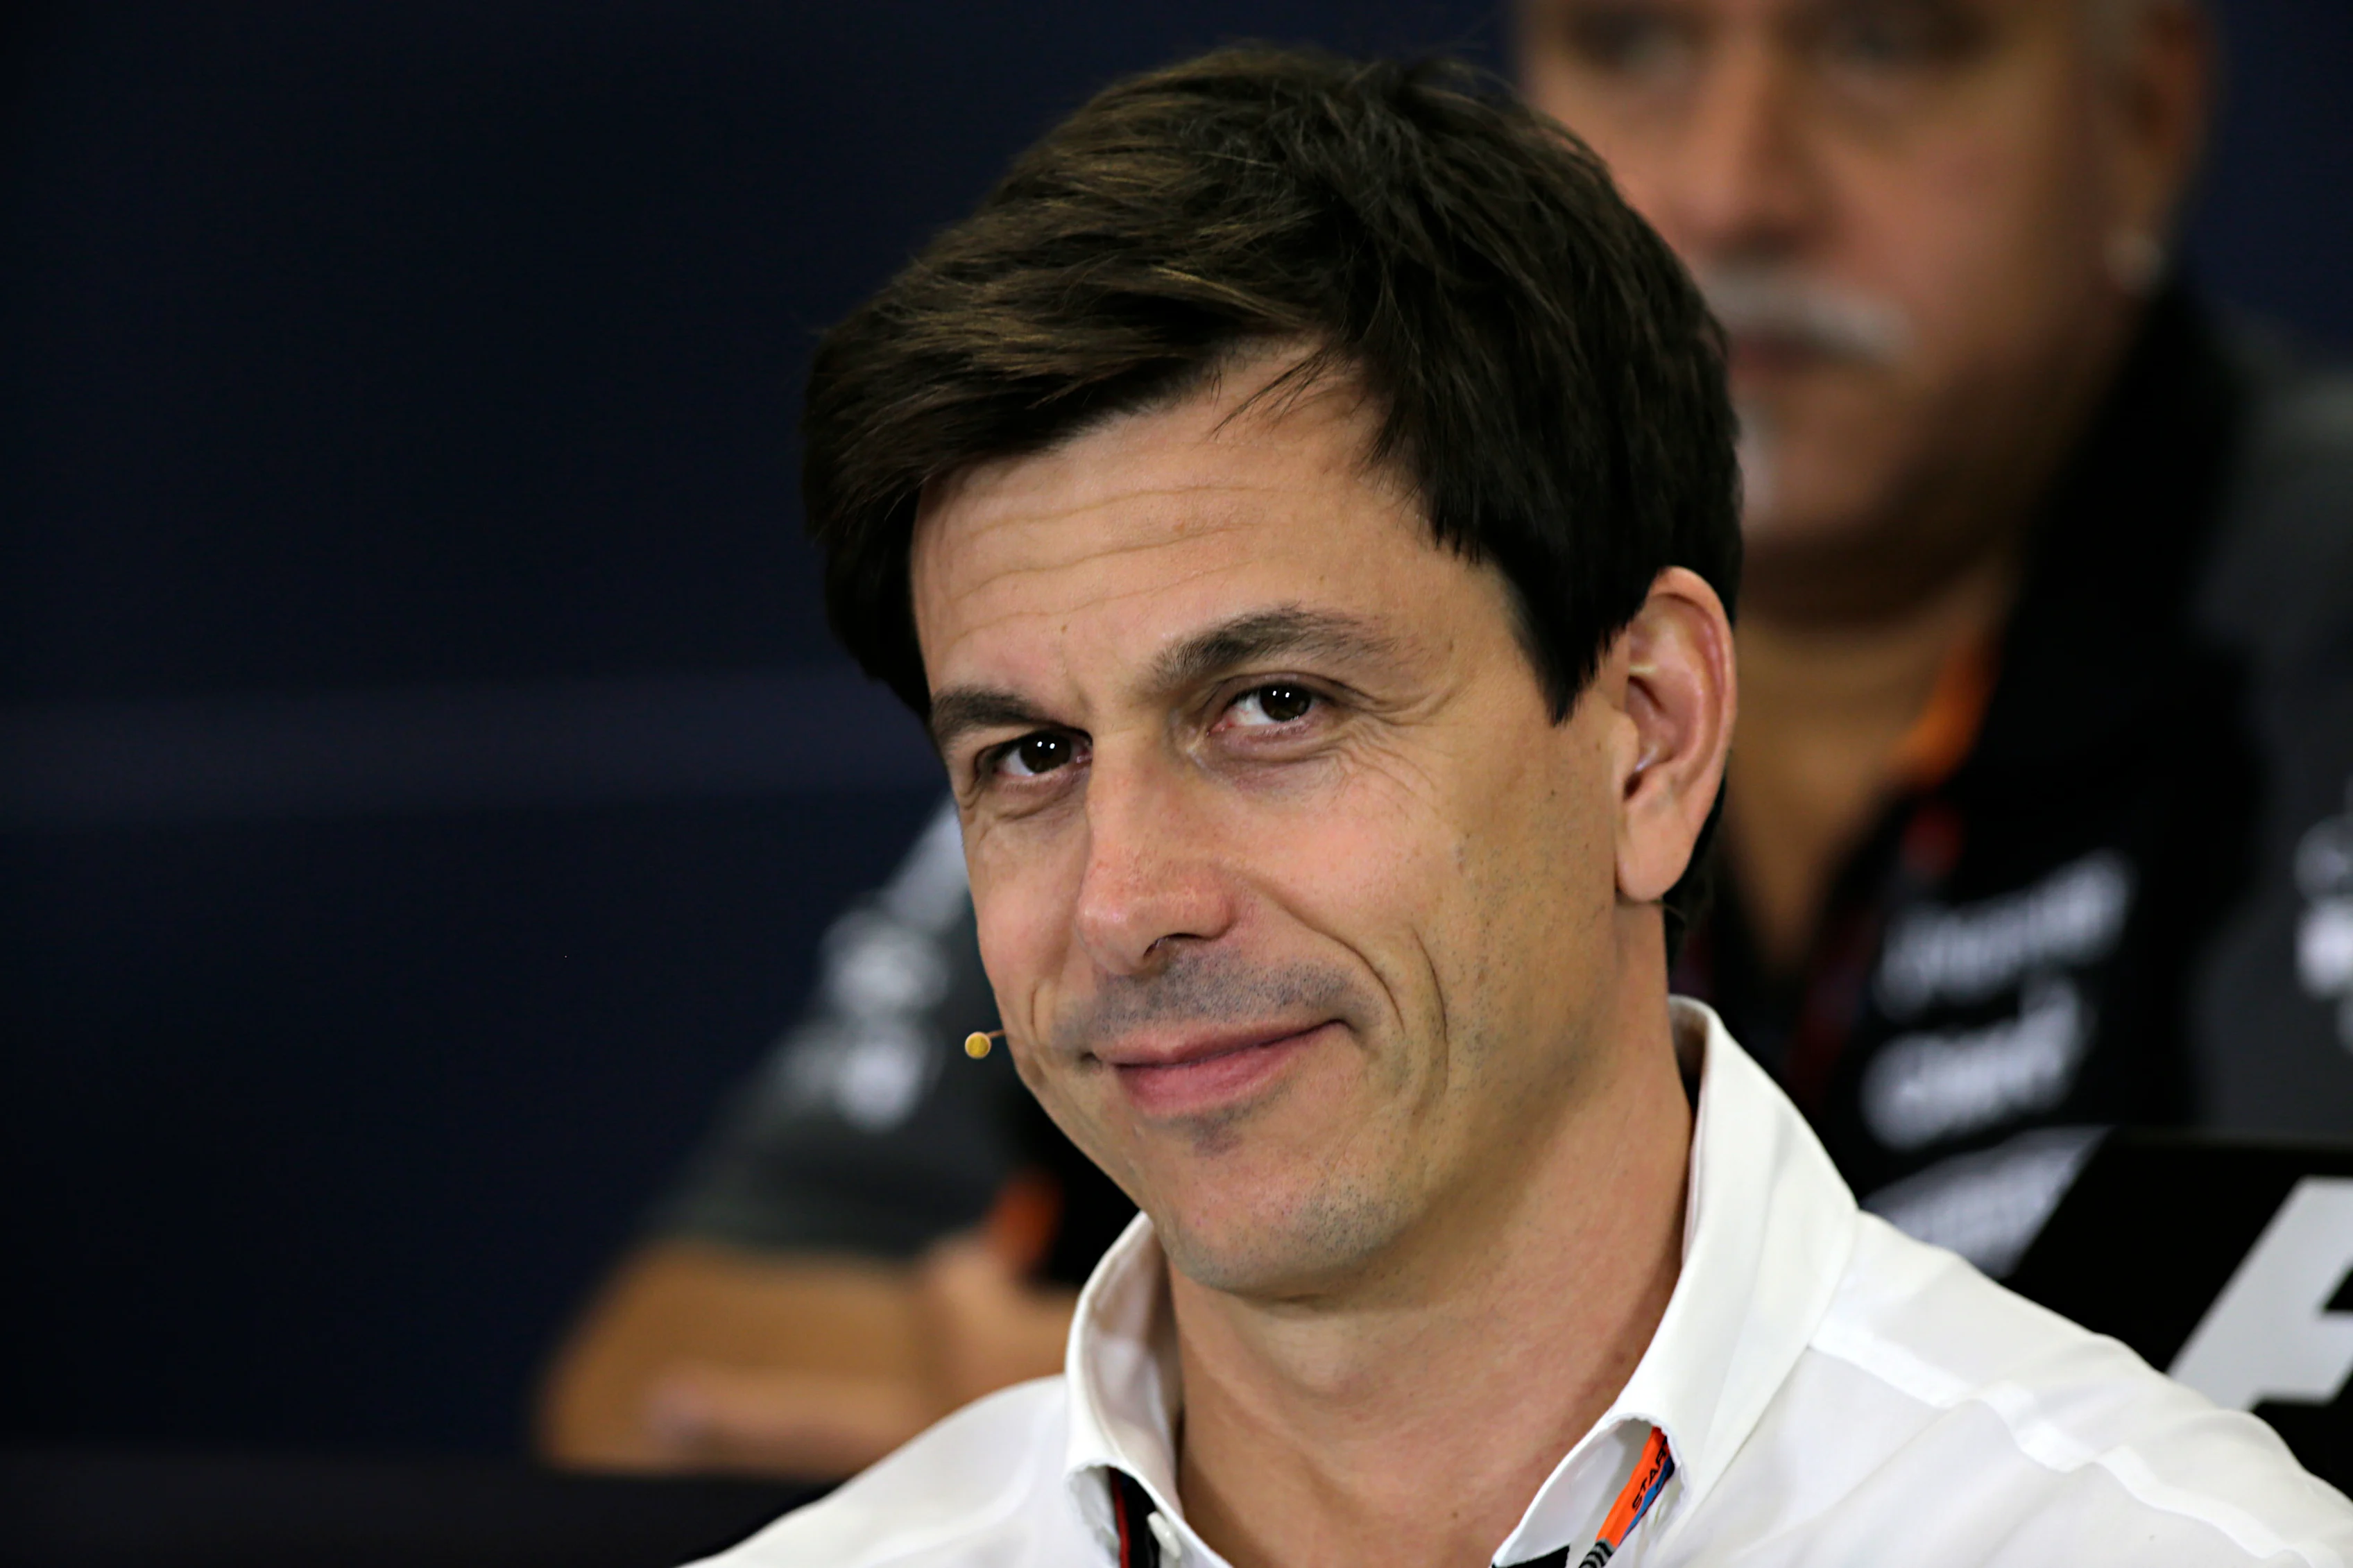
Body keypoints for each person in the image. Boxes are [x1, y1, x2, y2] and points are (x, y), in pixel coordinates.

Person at [539, 0, 2353, 1480]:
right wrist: (1166, 1433)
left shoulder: (2309, 588)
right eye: (1633, 45)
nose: (1732, 188)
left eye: (1883, 46)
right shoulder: (1141, 661)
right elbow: (663, 1372)